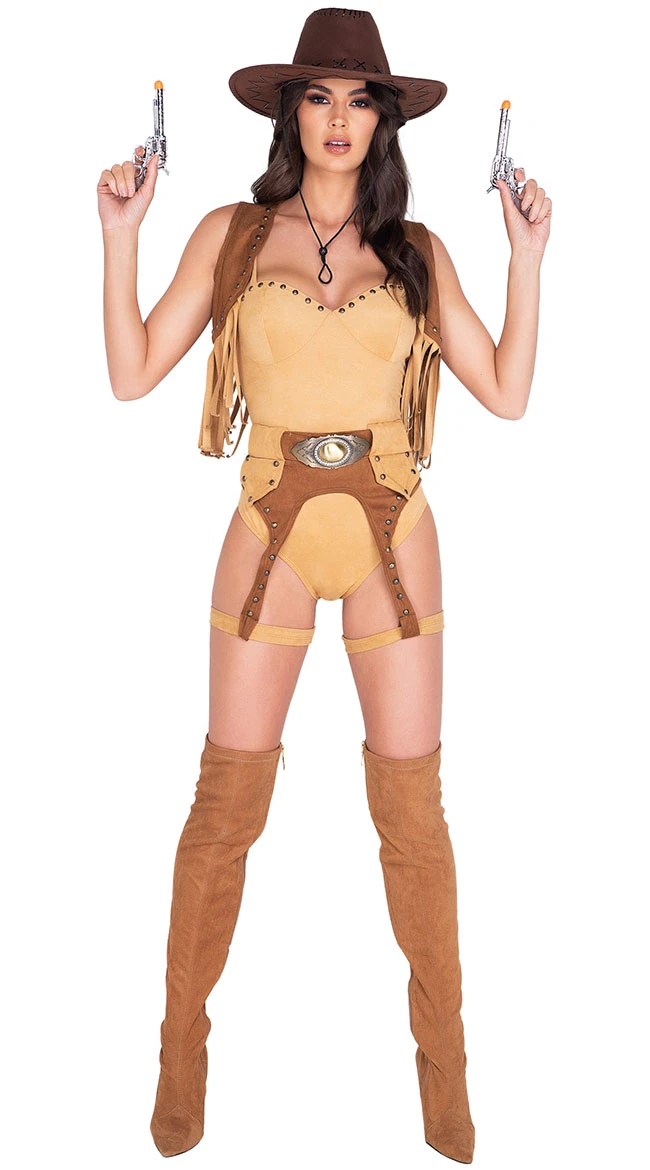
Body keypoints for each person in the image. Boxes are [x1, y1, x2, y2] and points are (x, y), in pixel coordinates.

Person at [97, 8, 551, 1163]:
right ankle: (179, 1059)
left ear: (382, 120)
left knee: (412, 816)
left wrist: (525, 258)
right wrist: (120, 235)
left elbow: (503, 393)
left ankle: (445, 1080)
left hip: (394, 529)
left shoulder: (416, 250)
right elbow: (132, 372)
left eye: (357, 100)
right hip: (268, 525)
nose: (338, 119)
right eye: (317, 96)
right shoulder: (233, 234)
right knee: (224, 807)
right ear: (287, 111)